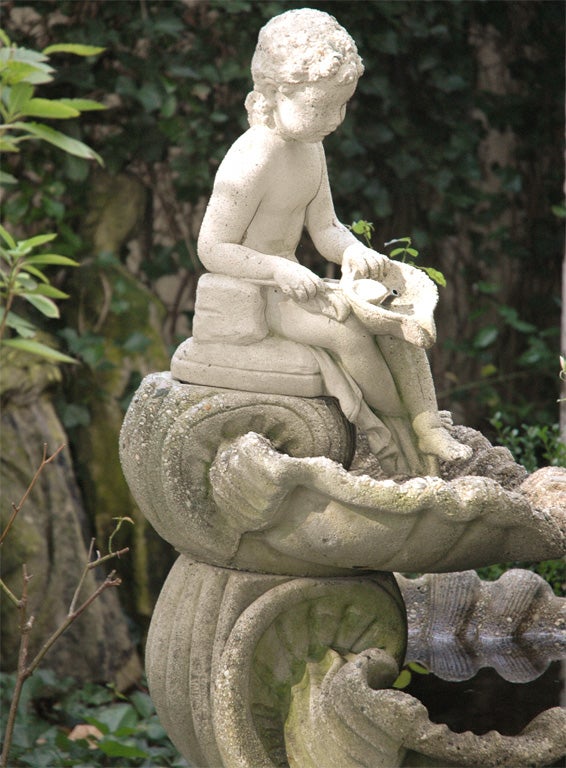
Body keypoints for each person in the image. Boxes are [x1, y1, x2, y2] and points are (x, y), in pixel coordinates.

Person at [194, 8, 471, 468]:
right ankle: (399, 429)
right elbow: (212, 248)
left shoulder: (310, 148)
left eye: (340, 105)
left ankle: (428, 428)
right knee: (348, 335)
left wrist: (354, 251)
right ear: (278, 92)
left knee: (396, 319)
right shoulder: (252, 159)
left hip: (300, 282)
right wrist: (280, 269)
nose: (333, 119)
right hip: (265, 292)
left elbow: (324, 228)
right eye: (319, 107)